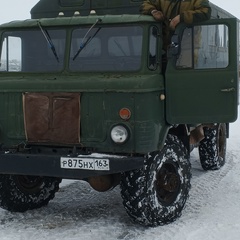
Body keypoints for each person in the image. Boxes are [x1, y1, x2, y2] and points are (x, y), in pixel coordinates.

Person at [140, 0, 212, 51]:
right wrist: (154, 11)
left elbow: (206, 12)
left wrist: (182, 17)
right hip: (161, 45)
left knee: (183, 70)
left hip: (187, 46)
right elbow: (145, 5)